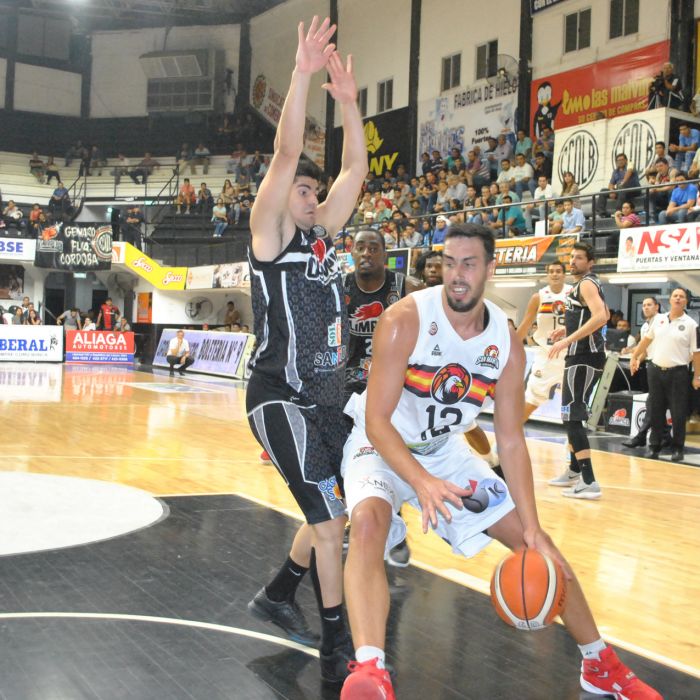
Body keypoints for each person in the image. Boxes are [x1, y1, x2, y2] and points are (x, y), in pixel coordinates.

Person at [339, 224, 661, 700]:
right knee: (367, 524)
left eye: (469, 264)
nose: (457, 275)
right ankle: (371, 671)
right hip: (381, 446)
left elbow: (510, 440)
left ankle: (600, 664)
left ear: (491, 268)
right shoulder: (404, 319)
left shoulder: (505, 342)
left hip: (444, 452)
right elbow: (377, 420)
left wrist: (532, 527)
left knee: (539, 546)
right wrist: (422, 482)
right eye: (450, 263)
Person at [244, 17, 367, 684]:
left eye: (316, 191)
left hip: (325, 400)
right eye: (303, 189)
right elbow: (288, 151)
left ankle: (278, 592)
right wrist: (301, 72)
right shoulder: (270, 236)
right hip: (279, 397)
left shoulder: (324, 236)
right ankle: (336, 642)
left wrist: (348, 101)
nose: (313, 195)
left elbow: (356, 169)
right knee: (330, 520)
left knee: (331, 512)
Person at [343, 228, 420, 567]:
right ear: (352, 252)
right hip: (348, 384)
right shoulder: (340, 288)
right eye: (360, 247)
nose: (366, 253)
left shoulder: (406, 288)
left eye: (373, 248)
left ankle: (395, 525)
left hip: (393, 384)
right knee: (347, 455)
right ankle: (355, 515)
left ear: (385, 254)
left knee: (390, 455)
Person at [547, 243, 608, 499]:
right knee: (570, 415)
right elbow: (592, 315)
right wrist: (566, 330)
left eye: (579, 257)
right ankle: (574, 470)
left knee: (572, 417)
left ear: (590, 262)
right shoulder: (582, 284)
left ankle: (589, 481)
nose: (573, 261)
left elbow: (602, 316)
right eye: (572, 257)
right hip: (582, 355)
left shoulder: (587, 283)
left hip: (583, 357)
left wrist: (567, 340)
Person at [631, 288, 699, 462]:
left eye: (681, 296)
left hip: (678, 373)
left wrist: (697, 376)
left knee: (678, 412)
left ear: (686, 301)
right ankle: (654, 446)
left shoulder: (691, 324)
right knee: (656, 410)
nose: (678, 298)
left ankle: (678, 448)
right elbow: (646, 341)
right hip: (655, 371)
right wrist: (634, 356)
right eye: (675, 296)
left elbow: (697, 353)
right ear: (670, 299)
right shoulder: (659, 319)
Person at [516, 261, 572, 422]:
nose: (555, 274)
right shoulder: (538, 296)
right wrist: (511, 347)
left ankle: (574, 437)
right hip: (546, 354)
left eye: (558, 271)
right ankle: (511, 433)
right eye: (551, 271)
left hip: (569, 354)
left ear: (564, 274)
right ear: (547, 275)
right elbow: (526, 324)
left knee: (572, 403)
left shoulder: (573, 293)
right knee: (532, 399)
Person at [622, 297, 666, 449]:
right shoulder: (645, 327)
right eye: (644, 305)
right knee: (656, 402)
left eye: (649, 305)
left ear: (657, 307)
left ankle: (640, 436)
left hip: (665, 366)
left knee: (652, 402)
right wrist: (637, 360)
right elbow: (645, 350)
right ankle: (666, 435)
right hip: (651, 366)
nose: (646, 307)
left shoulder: (662, 321)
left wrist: (633, 354)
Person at [595, 153, 640, 218]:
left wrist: (622, 183)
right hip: (621, 191)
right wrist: (611, 191)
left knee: (622, 188)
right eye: (618, 160)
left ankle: (618, 212)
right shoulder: (615, 172)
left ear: (626, 160)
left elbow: (629, 173)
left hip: (634, 189)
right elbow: (611, 184)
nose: (620, 161)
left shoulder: (630, 165)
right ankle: (601, 213)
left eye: (622, 160)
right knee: (603, 191)